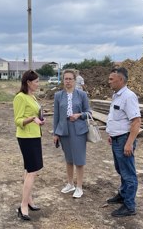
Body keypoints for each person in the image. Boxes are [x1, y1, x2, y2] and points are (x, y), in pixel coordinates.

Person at [105, 67, 141, 217]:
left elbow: (136, 121)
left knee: (128, 173)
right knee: (121, 170)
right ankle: (123, 194)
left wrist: (129, 143)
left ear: (121, 80)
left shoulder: (128, 96)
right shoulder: (116, 95)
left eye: (111, 79)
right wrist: (111, 134)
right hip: (116, 139)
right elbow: (117, 117)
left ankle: (129, 206)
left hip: (124, 140)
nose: (109, 82)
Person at [53, 69, 91, 198]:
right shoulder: (58, 96)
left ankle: (79, 186)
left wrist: (79, 115)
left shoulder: (82, 95)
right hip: (64, 130)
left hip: (79, 130)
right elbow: (56, 116)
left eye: (70, 79)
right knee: (69, 159)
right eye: (66, 79)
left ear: (75, 80)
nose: (68, 81)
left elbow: (89, 113)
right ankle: (70, 184)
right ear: (63, 80)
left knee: (79, 160)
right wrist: (55, 133)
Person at [13, 69, 45, 221]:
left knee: (30, 170)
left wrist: (38, 120)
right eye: (36, 81)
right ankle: (23, 206)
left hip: (35, 135)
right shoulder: (20, 97)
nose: (39, 84)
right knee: (32, 171)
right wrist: (32, 118)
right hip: (26, 138)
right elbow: (18, 120)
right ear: (28, 83)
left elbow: (35, 114)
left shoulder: (31, 96)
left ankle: (29, 201)